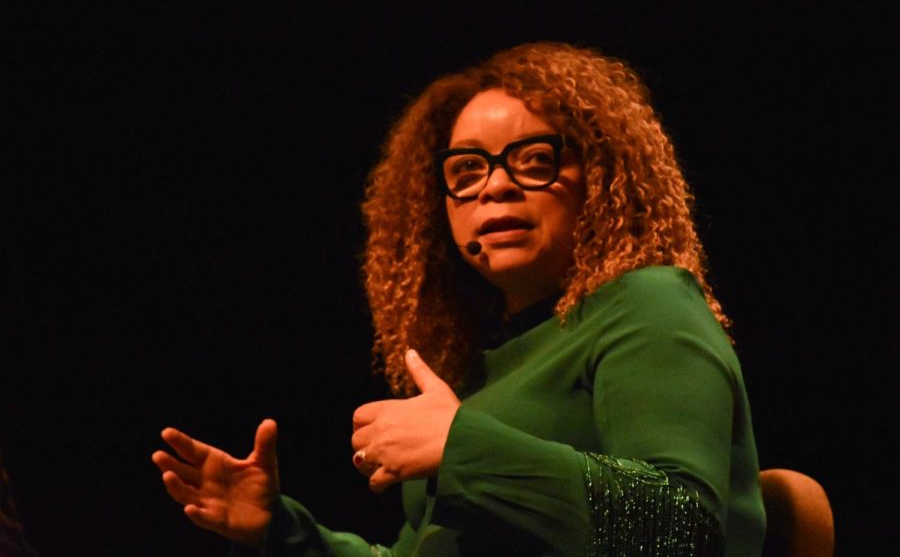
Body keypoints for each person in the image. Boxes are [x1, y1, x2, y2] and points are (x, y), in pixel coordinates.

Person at [152, 42, 766, 556]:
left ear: (601, 176)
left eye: (533, 159)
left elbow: (683, 529)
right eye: (466, 170)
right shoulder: (474, 368)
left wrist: (458, 444)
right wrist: (280, 529)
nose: (495, 185)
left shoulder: (646, 302)